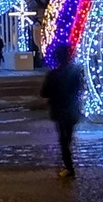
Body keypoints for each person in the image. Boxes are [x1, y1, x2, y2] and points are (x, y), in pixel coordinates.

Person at [40, 44, 83, 179]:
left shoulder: (53, 74)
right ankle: (67, 162)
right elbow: (80, 88)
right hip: (71, 108)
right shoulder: (75, 72)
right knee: (67, 137)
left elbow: (44, 92)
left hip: (59, 109)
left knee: (63, 140)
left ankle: (69, 167)